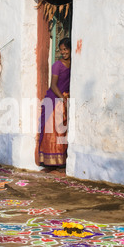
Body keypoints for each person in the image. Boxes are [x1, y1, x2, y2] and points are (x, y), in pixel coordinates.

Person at [38, 37, 71, 168]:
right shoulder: (57, 65)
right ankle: (50, 160)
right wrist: (62, 98)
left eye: (65, 49)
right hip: (55, 99)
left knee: (63, 131)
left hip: (65, 98)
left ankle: (61, 159)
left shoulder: (74, 64)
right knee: (54, 130)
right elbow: (53, 85)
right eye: (61, 50)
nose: (63, 52)